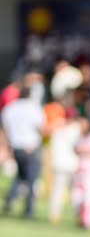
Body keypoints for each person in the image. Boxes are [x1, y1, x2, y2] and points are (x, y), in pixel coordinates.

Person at [1, 84, 46, 218]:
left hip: (15, 147)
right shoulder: (34, 108)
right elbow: (40, 127)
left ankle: (11, 196)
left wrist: (7, 144)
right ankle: (29, 209)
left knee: (21, 175)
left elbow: (5, 128)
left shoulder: (10, 108)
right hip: (30, 147)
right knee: (32, 179)